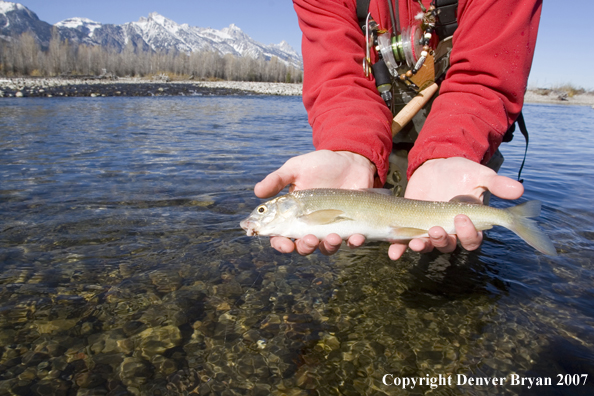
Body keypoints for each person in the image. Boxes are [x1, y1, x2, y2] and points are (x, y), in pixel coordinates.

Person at [254, 0, 541, 260]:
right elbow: (338, 78)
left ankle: (502, 223)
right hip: (373, 134)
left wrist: (452, 149)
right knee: (356, 263)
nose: (259, 213)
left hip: (466, 125)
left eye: (263, 210)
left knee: (451, 259)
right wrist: (349, 150)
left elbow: (486, 73)